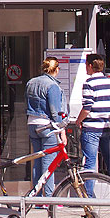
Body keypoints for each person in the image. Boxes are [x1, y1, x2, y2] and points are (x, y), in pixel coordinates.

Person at [24, 57, 65, 197]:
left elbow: (26, 104)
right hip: (47, 126)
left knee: (37, 160)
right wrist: (61, 130)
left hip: (32, 123)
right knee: (48, 163)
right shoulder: (52, 86)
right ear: (56, 69)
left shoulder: (31, 82)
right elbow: (55, 112)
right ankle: (48, 198)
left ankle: (36, 197)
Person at [77, 53, 110, 181]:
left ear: (90, 66)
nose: (86, 68)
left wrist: (79, 121)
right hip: (107, 127)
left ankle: (89, 193)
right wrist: (106, 117)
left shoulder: (89, 83)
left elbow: (87, 108)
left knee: (90, 164)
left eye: (86, 65)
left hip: (91, 128)